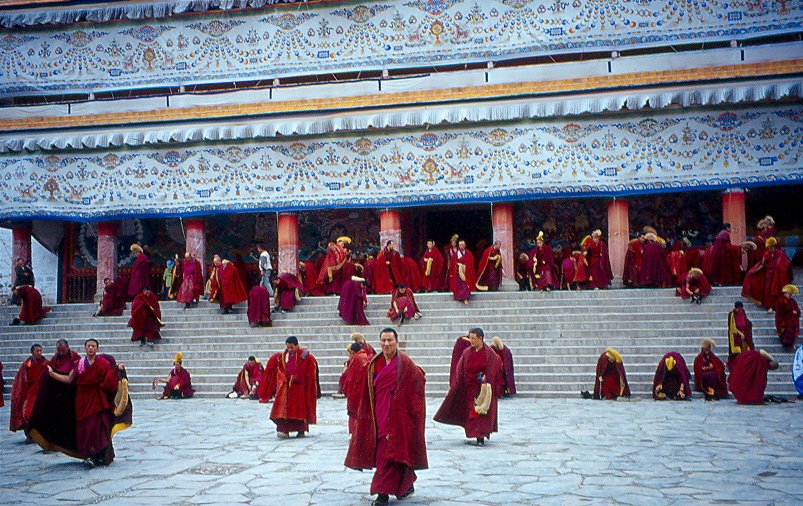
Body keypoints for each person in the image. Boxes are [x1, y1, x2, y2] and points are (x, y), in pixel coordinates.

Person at [344, 327, 427, 506]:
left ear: (397, 342)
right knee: (393, 454)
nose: (386, 344)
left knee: (387, 455)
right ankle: (406, 484)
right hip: (378, 416)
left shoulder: (405, 363)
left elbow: (418, 380)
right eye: (383, 340)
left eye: (390, 340)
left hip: (397, 419)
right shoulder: (375, 362)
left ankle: (382, 494)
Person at [36, 339, 130, 467]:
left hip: (98, 400)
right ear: (85, 348)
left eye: (93, 346)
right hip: (82, 401)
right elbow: (69, 379)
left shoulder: (103, 363)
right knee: (85, 430)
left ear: (97, 349)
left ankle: (97, 456)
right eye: (88, 346)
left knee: (97, 428)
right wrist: (52, 374)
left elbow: (110, 382)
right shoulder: (78, 363)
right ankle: (90, 455)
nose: (91, 348)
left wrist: (116, 370)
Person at [434, 327, 502, 446]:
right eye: (470, 338)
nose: (471, 341)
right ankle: (475, 434)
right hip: (470, 388)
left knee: (481, 413)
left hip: (483, 389)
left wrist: (486, 379)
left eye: (473, 339)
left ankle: (480, 437)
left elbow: (495, 368)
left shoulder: (489, 354)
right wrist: (457, 385)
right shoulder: (467, 352)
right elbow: (460, 369)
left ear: (481, 339)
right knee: (472, 414)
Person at [26, 340, 81, 452]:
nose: (61, 352)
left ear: (68, 347)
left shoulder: (74, 357)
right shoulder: (55, 358)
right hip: (57, 396)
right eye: (59, 350)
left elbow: (74, 375)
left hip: (70, 394)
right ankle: (53, 443)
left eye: (63, 349)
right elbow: (47, 373)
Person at [269, 336, 318, 438]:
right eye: (288, 348)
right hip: (286, 387)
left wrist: (297, 377)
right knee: (283, 409)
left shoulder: (305, 356)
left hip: (298, 388)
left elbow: (310, 373)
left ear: (297, 345)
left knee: (299, 410)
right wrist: (283, 378)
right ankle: (284, 430)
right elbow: (280, 370)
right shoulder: (283, 356)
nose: (289, 350)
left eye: (291, 347)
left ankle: (301, 430)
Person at [742, 237, 792, 312]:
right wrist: (754, 271)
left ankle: (779, 306)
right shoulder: (766, 253)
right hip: (768, 275)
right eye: (768, 247)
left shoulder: (780, 253)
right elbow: (762, 264)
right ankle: (770, 307)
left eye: (771, 247)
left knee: (778, 290)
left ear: (774, 246)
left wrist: (779, 269)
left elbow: (786, 263)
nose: (770, 249)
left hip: (777, 275)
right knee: (768, 291)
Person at [9, 344, 48, 434]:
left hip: (40, 392)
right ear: (32, 352)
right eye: (37, 351)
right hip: (29, 392)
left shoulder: (45, 363)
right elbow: (21, 379)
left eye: (40, 351)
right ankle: (29, 434)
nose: (39, 353)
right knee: (27, 413)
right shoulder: (27, 364)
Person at [342, 342, 371, 434]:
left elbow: (351, 377)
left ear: (353, 352)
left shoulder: (357, 359)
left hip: (356, 391)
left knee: (355, 414)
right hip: (361, 391)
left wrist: (345, 388)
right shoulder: (363, 357)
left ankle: (356, 433)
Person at [728, 301, 754, 367]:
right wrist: (740, 334)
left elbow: (745, 321)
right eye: (738, 309)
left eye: (740, 309)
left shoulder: (743, 312)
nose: (739, 310)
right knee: (737, 351)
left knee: (747, 347)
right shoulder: (732, 314)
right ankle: (736, 364)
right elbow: (732, 327)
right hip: (735, 334)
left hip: (744, 332)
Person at [452, 240, 476, 305]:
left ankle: (465, 299)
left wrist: (464, 266)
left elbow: (471, 263)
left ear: (465, 245)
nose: (461, 246)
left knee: (465, 286)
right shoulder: (456, 254)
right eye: (460, 245)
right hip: (458, 273)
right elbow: (453, 263)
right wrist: (458, 265)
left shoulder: (468, 253)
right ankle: (460, 297)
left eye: (462, 245)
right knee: (459, 286)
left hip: (466, 273)